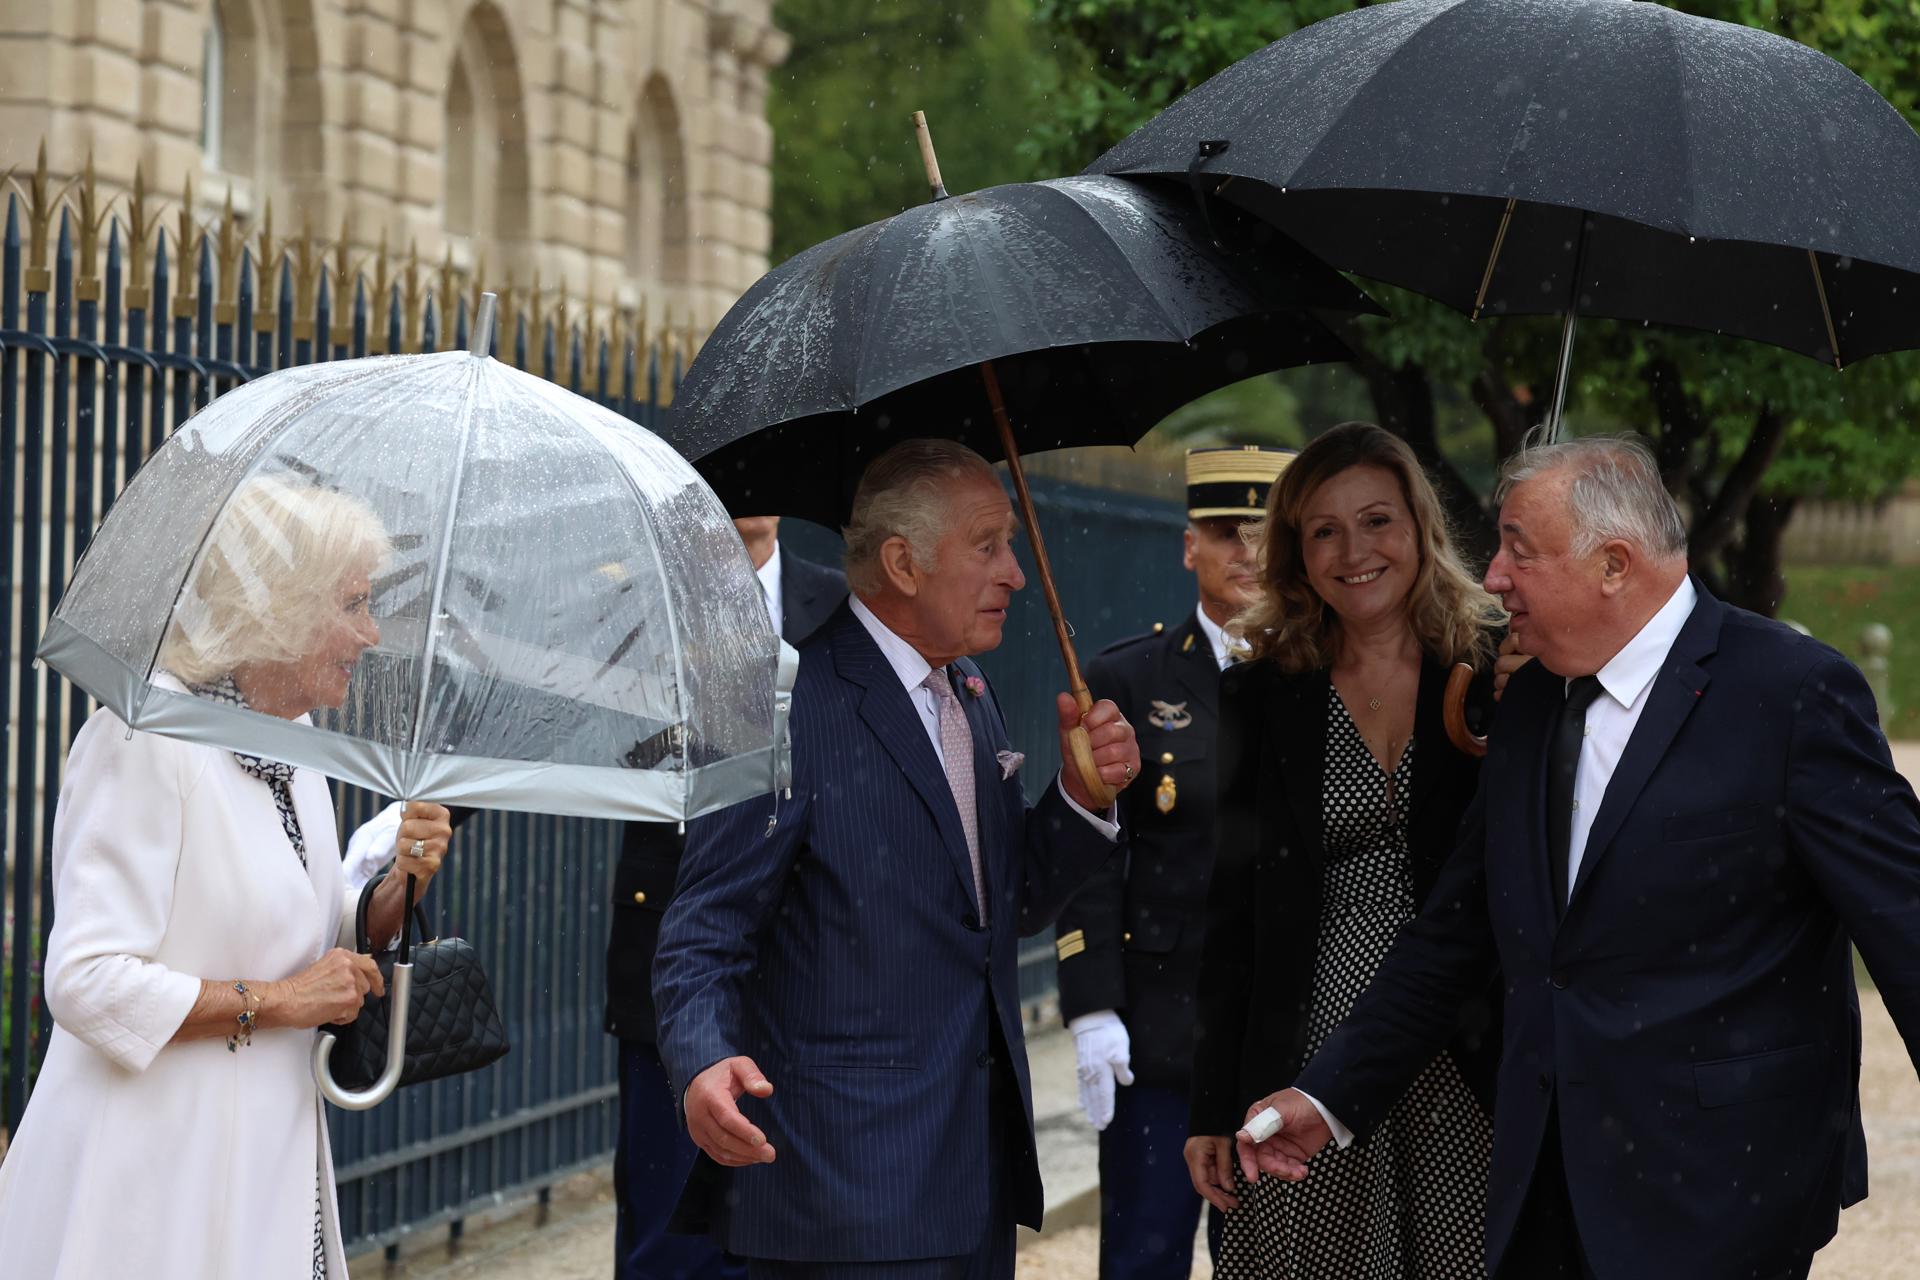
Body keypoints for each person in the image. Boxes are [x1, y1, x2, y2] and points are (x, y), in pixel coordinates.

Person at [1240, 435, 1920, 1280]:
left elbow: (1906, 925)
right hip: (1542, 1184)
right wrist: (1329, 1095)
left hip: (1725, 1189)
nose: (1491, 577)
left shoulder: (1790, 694)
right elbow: (1452, 934)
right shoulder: (1527, 703)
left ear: (1614, 565)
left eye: (1519, 550)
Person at [652, 438, 1142, 1279]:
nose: (1015, 574)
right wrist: (701, 1062)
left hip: (971, 1177)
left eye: (1012, 546)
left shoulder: (967, 693)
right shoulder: (790, 707)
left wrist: (1080, 799)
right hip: (842, 1201)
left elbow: (1002, 906)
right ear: (903, 564)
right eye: (987, 546)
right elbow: (702, 932)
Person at [0, 475, 455, 1279]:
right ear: (281, 606)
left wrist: (395, 890)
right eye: (353, 603)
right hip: (150, 1176)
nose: (372, 633)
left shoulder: (291, 737)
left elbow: (302, 935)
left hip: (264, 1158)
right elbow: (88, 981)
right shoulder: (144, 739)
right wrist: (283, 1003)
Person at [1194, 423, 1503, 1279]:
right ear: (1296, 550)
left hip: (1471, 1038)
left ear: (1419, 526)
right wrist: (1213, 1104)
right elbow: (1232, 909)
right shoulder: (1261, 692)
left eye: (1376, 521)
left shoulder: (1495, 667)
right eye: (1324, 530)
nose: (1354, 550)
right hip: (1303, 1055)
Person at [1052, 445, 1295, 1280]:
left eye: (1269, 534)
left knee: (1272, 1263)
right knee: (1144, 1256)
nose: (1249, 555)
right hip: (1160, 1037)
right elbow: (1092, 849)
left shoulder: (1326, 677)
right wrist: (1090, 1008)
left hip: (1282, 1037)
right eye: (1228, 533)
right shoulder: (1127, 675)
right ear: (1190, 544)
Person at [604, 515, 845, 1280]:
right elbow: (594, 740)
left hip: (806, 960)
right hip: (675, 958)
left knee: (783, 1223)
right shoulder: (645, 607)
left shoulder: (837, 604)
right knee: (668, 1229)